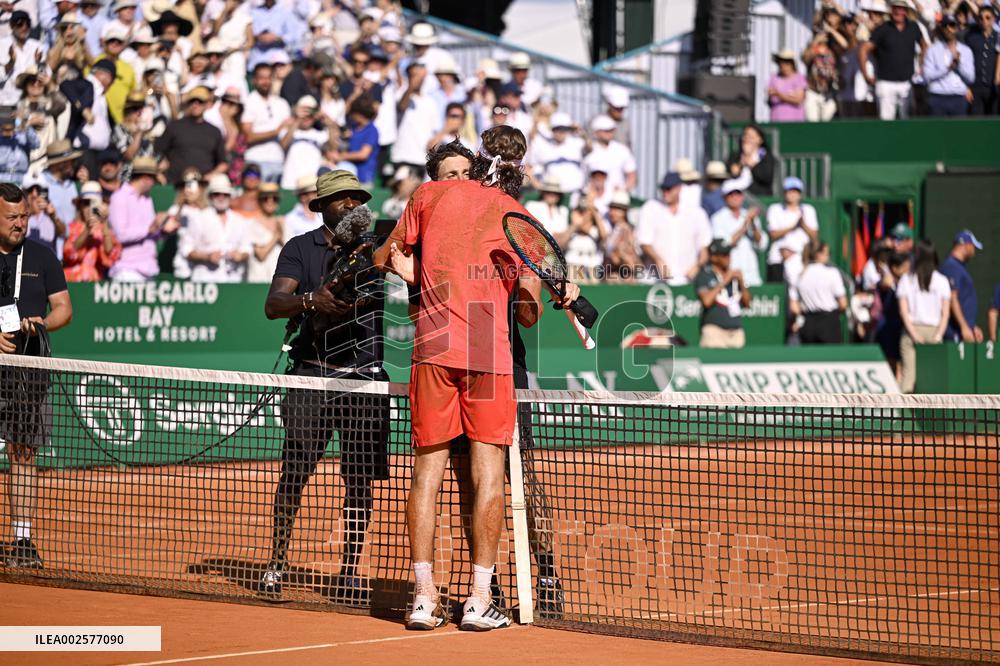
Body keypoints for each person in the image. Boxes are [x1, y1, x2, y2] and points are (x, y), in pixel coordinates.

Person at [374, 126, 546, 631]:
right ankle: (478, 599)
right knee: (488, 473)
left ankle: (424, 597)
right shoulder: (512, 211)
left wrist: (414, 272)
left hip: (432, 348)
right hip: (487, 351)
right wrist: (543, 289)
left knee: (426, 473)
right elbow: (529, 310)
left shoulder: (426, 196)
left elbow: (383, 257)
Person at [260, 170, 389, 605]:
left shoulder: (377, 248)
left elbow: (385, 291)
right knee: (294, 472)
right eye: (342, 198)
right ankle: (277, 563)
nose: (353, 204)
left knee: (359, 482)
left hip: (364, 381)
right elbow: (274, 304)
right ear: (321, 207)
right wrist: (311, 300)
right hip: (310, 375)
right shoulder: (300, 247)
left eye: (357, 198)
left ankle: (349, 571)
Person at [0, 183, 73, 569]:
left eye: (24, 216)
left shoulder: (43, 256)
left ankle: (22, 539)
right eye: (12, 217)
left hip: (30, 372)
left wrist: (41, 323)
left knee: (24, 453)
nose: (20, 223)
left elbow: (63, 308)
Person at [107, 156, 176, 281]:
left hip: (149, 269)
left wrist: (163, 231)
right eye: (154, 179)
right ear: (146, 178)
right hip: (127, 270)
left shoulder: (147, 199)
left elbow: (150, 234)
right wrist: (149, 228)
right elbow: (120, 235)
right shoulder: (119, 198)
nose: (154, 183)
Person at [636, 172, 712, 286]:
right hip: (654, 279)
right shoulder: (650, 208)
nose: (665, 192)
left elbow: (704, 247)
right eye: (663, 189)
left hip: (686, 279)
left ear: (679, 188)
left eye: (669, 189)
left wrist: (697, 266)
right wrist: (657, 260)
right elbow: (644, 241)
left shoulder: (696, 213)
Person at [897, 240, 951, 393]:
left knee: (908, 378)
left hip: (912, 332)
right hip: (933, 332)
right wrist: (938, 336)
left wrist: (914, 334)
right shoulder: (942, 281)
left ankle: (903, 409)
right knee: (933, 380)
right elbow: (945, 314)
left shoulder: (906, 280)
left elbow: (903, 312)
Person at [860, 0, 927, 120]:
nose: (898, 11)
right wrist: (866, 75)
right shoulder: (882, 29)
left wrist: (922, 67)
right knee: (886, 121)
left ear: (905, 11)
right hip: (885, 83)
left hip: (907, 82)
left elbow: (924, 46)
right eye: (895, 8)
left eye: (901, 8)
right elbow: (863, 49)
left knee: (907, 121)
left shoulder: (913, 27)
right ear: (891, 10)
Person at [155, 87, 228, 186]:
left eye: (200, 101)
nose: (195, 104)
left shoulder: (214, 131)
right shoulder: (175, 127)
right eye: (192, 101)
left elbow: (223, 163)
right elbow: (158, 152)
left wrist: (212, 175)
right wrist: (159, 173)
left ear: (207, 104)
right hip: (175, 184)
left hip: (203, 186)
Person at [242, 63, 293, 183]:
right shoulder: (249, 101)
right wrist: (276, 131)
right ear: (254, 80)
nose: (265, 82)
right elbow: (248, 137)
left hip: (278, 161)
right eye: (262, 78)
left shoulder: (282, 103)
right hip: (256, 160)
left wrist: (294, 125)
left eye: (269, 77)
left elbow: (284, 141)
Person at [696, 239, 751, 348]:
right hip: (714, 332)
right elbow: (706, 301)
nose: (728, 257)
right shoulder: (705, 275)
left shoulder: (735, 276)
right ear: (714, 257)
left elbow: (748, 304)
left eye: (729, 254)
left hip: (736, 332)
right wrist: (724, 281)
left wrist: (742, 282)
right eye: (724, 255)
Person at [790, 241, 848, 344]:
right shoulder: (832, 273)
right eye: (827, 253)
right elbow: (843, 304)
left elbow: (794, 308)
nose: (828, 257)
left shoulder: (799, 276)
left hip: (808, 325)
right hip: (829, 324)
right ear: (818, 254)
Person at [710, 182, 767, 287]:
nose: (735, 197)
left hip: (751, 273)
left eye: (738, 194)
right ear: (725, 198)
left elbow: (761, 244)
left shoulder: (749, 216)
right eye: (731, 195)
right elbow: (724, 245)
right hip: (731, 273)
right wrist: (745, 224)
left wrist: (752, 222)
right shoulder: (717, 218)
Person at [764, 177, 819, 285]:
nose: (792, 194)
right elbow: (773, 234)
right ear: (784, 193)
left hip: (801, 260)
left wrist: (803, 225)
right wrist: (793, 227)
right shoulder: (775, 209)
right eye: (790, 191)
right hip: (778, 259)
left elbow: (814, 235)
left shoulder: (808, 210)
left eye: (795, 191)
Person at [63, 181, 122, 282]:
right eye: (86, 203)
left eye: (94, 203)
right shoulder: (72, 227)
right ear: (80, 206)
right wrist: (87, 229)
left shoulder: (105, 230)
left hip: (93, 284)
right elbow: (69, 253)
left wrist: (105, 223)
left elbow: (111, 255)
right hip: (72, 283)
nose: (90, 208)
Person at [278, 95, 335, 189]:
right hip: (290, 182)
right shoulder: (289, 131)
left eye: (310, 115)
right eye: (304, 114)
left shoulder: (320, 134)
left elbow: (333, 147)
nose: (307, 118)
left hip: (311, 183)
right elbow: (283, 145)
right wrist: (297, 119)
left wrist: (326, 119)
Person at [924, 15, 975, 116]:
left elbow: (971, 78)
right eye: (945, 26)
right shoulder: (933, 50)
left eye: (952, 25)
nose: (948, 29)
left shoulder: (966, 51)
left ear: (957, 28)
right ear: (941, 29)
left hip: (958, 97)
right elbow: (927, 76)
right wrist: (947, 68)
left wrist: (958, 65)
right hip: (937, 97)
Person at [939, 229, 983, 343]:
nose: (974, 251)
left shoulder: (959, 267)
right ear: (967, 245)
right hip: (954, 331)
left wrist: (972, 326)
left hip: (963, 330)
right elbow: (952, 298)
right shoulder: (951, 266)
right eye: (973, 247)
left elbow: (963, 300)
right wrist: (964, 327)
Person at [874, 252, 911, 382]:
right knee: (891, 361)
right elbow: (885, 282)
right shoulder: (889, 282)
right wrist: (887, 272)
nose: (908, 270)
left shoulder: (907, 282)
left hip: (903, 327)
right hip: (889, 328)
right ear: (895, 268)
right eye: (905, 267)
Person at [584, 114, 636, 194]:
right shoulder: (588, 150)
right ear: (597, 132)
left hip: (615, 196)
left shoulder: (622, 150)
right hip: (593, 195)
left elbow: (631, 175)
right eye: (606, 131)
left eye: (611, 130)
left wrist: (624, 189)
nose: (609, 133)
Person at [965, 2, 999, 115]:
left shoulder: (997, 37)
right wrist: (967, 87)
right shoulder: (971, 37)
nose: (984, 21)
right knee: (976, 120)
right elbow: (966, 63)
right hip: (976, 86)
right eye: (981, 18)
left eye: (988, 18)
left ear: (994, 19)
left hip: (993, 87)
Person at [247, 182, 284, 283]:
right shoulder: (252, 224)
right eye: (265, 198)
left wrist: (281, 232)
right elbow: (260, 254)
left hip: (279, 280)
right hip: (259, 279)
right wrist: (276, 236)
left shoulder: (284, 223)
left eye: (274, 198)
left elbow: (290, 250)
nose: (270, 201)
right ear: (259, 201)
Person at [726, 124, 776, 196]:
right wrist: (742, 161)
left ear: (760, 140)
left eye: (751, 137)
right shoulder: (735, 156)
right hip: (737, 195)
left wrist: (752, 165)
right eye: (745, 135)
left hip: (759, 196)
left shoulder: (766, 156)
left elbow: (766, 177)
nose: (747, 139)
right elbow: (732, 172)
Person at [605, 191, 642, 280]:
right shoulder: (615, 228)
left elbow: (627, 261)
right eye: (611, 208)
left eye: (617, 209)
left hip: (623, 278)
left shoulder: (625, 230)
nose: (612, 212)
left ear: (624, 212)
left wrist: (617, 256)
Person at [525, 175, 570, 242]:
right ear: (543, 193)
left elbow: (564, 237)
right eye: (548, 192)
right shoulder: (532, 206)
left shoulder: (563, 210)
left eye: (555, 193)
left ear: (559, 195)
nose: (552, 195)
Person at [768, 49, 808, 122]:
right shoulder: (774, 78)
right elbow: (770, 99)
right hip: (776, 119)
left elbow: (798, 100)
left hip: (794, 121)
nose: (783, 65)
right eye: (781, 62)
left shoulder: (799, 78)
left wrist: (779, 95)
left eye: (786, 62)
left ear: (792, 64)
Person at [283, 175, 320, 242]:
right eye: (314, 192)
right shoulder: (290, 219)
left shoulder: (324, 213)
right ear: (303, 196)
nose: (318, 194)